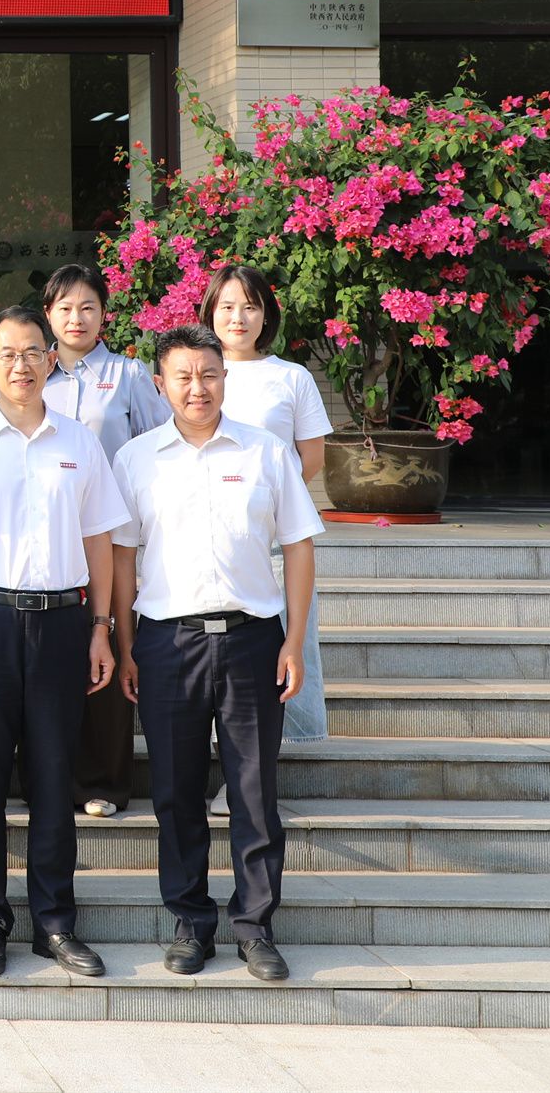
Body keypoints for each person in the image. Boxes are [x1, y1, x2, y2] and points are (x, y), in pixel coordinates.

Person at [114, 323, 321, 983]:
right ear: (160, 385)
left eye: (208, 374)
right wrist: (124, 645)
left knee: (254, 792)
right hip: (167, 641)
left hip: (252, 640)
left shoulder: (267, 452)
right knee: (175, 793)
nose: (197, 387)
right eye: (183, 376)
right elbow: (121, 559)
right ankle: (190, 922)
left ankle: (255, 926)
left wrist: (293, 641)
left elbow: (299, 547)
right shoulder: (136, 459)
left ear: (225, 377)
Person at [0, 303, 126, 981]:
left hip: (63, 624)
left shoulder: (80, 442)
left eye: (33, 352)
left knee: (52, 774)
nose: (21, 365)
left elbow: (99, 541)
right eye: (8, 353)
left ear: (50, 360)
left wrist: (100, 628)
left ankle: (54, 923)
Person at [43, 263, 170, 821]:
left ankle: (104, 781)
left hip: (114, 538)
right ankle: (52, 778)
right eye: (65, 308)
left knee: (112, 645)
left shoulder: (128, 374)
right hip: (47, 536)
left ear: (103, 315)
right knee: (53, 657)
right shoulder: (31, 371)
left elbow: (159, 445)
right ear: (48, 314)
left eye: (87, 307)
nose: (77, 318)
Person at [208, 263, 333, 746]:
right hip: (208, 533)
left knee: (288, 639)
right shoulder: (195, 371)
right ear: (210, 311)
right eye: (227, 306)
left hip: (275, 537)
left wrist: (264, 502)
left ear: (266, 315)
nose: (238, 318)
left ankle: (290, 746)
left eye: (250, 307)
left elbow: (311, 457)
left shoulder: (291, 377)